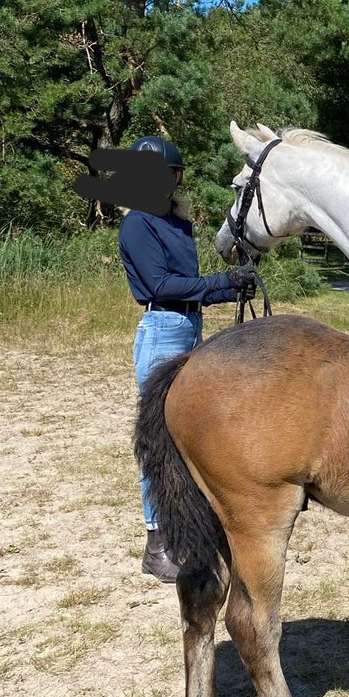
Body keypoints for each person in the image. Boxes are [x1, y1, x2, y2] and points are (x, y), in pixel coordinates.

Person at [118, 136, 256, 582]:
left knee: (191, 432)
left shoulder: (178, 224)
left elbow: (190, 286)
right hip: (162, 329)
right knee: (160, 438)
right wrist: (220, 281)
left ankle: (188, 527)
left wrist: (232, 286)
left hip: (190, 327)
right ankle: (156, 541)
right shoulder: (138, 224)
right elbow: (161, 286)